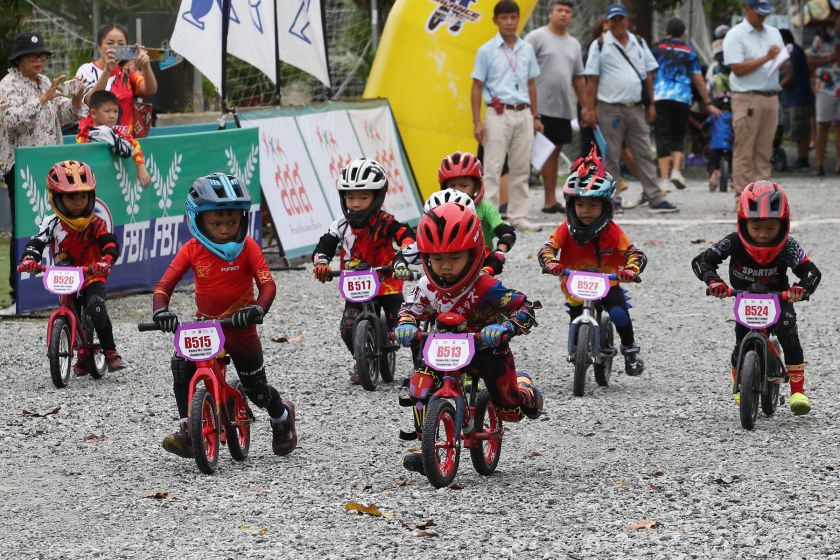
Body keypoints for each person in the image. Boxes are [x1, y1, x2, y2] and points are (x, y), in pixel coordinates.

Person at [151, 173, 297, 457]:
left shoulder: (249, 247)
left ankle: (282, 418)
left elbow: (267, 284)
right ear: (198, 220)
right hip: (205, 325)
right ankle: (187, 429)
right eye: (216, 223)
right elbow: (163, 286)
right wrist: (161, 311)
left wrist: (258, 309)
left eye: (232, 222)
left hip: (241, 327)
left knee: (257, 390)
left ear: (242, 219)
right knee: (181, 366)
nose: (225, 230)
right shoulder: (192, 250)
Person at [393, 202, 543, 474]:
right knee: (420, 384)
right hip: (443, 345)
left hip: (487, 348)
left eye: (454, 258)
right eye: (437, 259)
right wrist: (405, 325)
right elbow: (409, 309)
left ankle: (524, 387)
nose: (445, 267)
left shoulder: (486, 286)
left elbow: (525, 307)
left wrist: (505, 328)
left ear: (473, 255)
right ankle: (425, 443)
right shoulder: (427, 287)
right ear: (426, 258)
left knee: (510, 408)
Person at [691, 181, 821, 414]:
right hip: (746, 298)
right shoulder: (733, 241)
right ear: (743, 223)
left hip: (779, 298)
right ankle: (740, 384)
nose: (763, 234)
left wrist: (801, 288)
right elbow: (703, 260)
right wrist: (715, 282)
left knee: (789, 335)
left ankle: (798, 391)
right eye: (756, 227)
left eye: (770, 228)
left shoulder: (788, 245)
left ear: (783, 225)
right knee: (740, 343)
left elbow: (811, 271)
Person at [537, 148, 647, 376]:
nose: (585, 211)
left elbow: (635, 254)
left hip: (609, 282)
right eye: (580, 205)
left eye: (593, 205)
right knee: (575, 315)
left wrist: (631, 269)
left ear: (606, 207)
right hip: (576, 283)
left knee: (618, 314)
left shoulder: (613, 232)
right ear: (571, 206)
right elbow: (547, 249)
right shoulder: (565, 229)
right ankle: (577, 347)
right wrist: (550, 263)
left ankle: (630, 350)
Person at [0, 31, 84, 314]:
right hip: (21, 167)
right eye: (32, 56)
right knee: (24, 228)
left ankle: (55, 289)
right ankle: (17, 296)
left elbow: (65, 115)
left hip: (51, 165)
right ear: (19, 59)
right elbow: (11, 122)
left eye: (42, 56)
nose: (39, 60)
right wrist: (41, 100)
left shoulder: (45, 82)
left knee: (55, 225)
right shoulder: (7, 85)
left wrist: (75, 100)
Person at [311, 158, 416, 384]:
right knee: (347, 327)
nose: (355, 204)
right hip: (356, 283)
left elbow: (406, 236)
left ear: (377, 198)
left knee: (404, 322)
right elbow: (324, 246)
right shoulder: (340, 225)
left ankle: (424, 368)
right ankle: (362, 360)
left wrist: (403, 257)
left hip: (387, 281)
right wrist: (321, 263)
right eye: (350, 197)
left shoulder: (387, 222)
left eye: (363, 197)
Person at [17, 160, 125, 371]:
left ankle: (110, 351)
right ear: (56, 198)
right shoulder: (51, 223)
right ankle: (81, 354)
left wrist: (106, 260)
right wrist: (30, 260)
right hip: (64, 275)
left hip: (93, 274)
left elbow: (109, 242)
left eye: (83, 196)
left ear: (90, 197)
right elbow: (36, 243)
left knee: (95, 304)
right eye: (71, 197)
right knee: (70, 307)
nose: (78, 202)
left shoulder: (96, 223)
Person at [581, 4, 679, 214]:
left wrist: (651, 103)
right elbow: (592, 80)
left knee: (644, 151)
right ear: (607, 22)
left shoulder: (639, 42)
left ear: (627, 21)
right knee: (611, 155)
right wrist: (590, 109)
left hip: (636, 107)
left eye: (621, 19)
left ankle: (655, 196)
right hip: (610, 107)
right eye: (613, 20)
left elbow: (649, 76)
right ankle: (612, 198)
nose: (617, 24)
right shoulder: (599, 45)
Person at [471, 0, 543, 232]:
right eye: (504, 18)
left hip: (523, 112)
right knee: (493, 166)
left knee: (521, 167)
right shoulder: (486, 50)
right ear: (496, 21)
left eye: (513, 17)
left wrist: (536, 115)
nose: (510, 22)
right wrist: (477, 121)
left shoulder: (527, 49)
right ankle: (491, 218)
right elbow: (476, 86)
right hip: (497, 113)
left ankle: (519, 215)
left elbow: (532, 83)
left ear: (518, 19)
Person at [524, 0, 586, 214]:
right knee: (524, 153)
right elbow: (521, 67)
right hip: (536, 107)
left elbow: (579, 77)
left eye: (567, 11)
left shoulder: (574, 44)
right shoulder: (536, 37)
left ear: (572, 17)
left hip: (562, 107)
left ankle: (549, 200)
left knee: (554, 152)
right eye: (559, 10)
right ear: (550, 13)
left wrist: (586, 106)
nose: (563, 14)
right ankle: (512, 202)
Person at [722, 0, 784, 196]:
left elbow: (782, 60)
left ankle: (762, 197)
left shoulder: (774, 32)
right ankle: (742, 197)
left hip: (771, 96)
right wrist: (767, 57)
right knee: (745, 150)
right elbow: (737, 68)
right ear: (747, 10)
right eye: (758, 14)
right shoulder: (735, 35)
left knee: (765, 151)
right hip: (747, 97)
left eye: (765, 14)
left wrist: (783, 61)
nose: (762, 18)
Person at [652, 18, 720, 192]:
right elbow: (698, 79)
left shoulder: (657, 49)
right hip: (682, 97)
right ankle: (676, 170)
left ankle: (665, 179)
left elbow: (649, 74)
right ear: (683, 34)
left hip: (660, 96)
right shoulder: (689, 52)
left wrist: (648, 99)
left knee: (662, 136)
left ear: (667, 32)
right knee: (679, 134)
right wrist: (708, 102)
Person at [437, 151, 515, 275]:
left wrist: (499, 252)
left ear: (477, 186)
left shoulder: (485, 208)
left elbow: (507, 233)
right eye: (452, 185)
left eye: (463, 185)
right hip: (449, 265)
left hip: (482, 263)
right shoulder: (438, 209)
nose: (458, 191)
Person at [75, 23, 157, 137]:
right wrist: (107, 71)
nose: (115, 48)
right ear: (99, 46)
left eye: (121, 44)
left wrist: (146, 67)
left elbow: (149, 90)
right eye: (110, 43)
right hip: (93, 140)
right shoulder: (86, 70)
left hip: (124, 141)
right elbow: (90, 101)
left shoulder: (127, 72)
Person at [76, 90, 152, 187]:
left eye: (115, 111)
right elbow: (127, 151)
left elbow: (134, 143)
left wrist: (141, 166)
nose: (112, 116)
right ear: (93, 113)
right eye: (107, 111)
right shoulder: (99, 132)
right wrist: (140, 165)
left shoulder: (113, 131)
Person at [807, 16, 840, 176]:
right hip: (825, 87)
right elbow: (810, 60)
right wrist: (828, 59)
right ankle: (819, 164)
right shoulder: (821, 38)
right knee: (823, 126)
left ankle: (839, 164)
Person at [779, 29, 812, 171]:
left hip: (799, 97)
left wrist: (777, 87)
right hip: (792, 97)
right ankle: (801, 157)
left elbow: (791, 75)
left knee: (801, 129)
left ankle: (802, 158)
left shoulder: (794, 52)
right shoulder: (788, 53)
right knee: (796, 129)